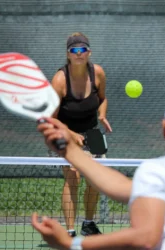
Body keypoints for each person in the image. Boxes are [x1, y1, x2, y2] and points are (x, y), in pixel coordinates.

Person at [32, 82, 165, 250]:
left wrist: (70, 244)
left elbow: (145, 238)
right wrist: (69, 150)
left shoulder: (158, 172)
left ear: (164, 128)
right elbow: (123, 188)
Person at [50, 32, 112, 237]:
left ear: (89, 52)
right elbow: (51, 117)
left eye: (82, 49)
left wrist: (102, 115)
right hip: (64, 133)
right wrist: (71, 134)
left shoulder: (98, 73)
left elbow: (102, 98)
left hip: (92, 132)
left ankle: (88, 223)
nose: (78, 53)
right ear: (68, 54)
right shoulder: (60, 79)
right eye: (74, 50)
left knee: (96, 179)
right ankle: (70, 230)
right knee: (73, 178)